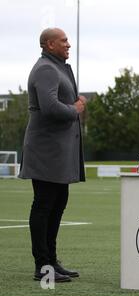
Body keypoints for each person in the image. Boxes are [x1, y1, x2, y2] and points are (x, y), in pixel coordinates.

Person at [19, 28, 86, 282]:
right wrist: (76, 108)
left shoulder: (56, 66)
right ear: (49, 44)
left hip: (57, 153)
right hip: (46, 151)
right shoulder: (46, 69)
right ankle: (42, 265)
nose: (69, 44)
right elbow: (49, 108)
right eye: (64, 41)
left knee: (57, 203)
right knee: (44, 205)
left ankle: (51, 261)